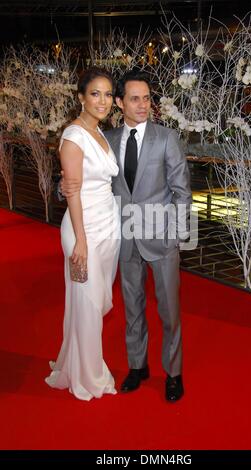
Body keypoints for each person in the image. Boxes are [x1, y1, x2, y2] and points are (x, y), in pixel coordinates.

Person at [62, 69, 191, 402]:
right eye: (134, 99)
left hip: (162, 238)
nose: (142, 105)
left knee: (169, 311)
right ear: (119, 103)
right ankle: (138, 366)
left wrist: (179, 238)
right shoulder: (110, 139)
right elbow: (88, 181)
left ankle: (173, 373)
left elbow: (182, 192)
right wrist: (65, 189)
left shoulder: (166, 138)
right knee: (132, 308)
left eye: (147, 98)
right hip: (123, 237)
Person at [45, 67, 120, 401]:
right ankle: (89, 376)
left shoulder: (100, 132)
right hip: (83, 230)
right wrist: (81, 241)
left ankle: (75, 363)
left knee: (95, 300)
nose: (102, 101)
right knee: (88, 302)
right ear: (81, 97)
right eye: (95, 94)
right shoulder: (74, 137)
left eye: (107, 94)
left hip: (109, 226)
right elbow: (72, 192)